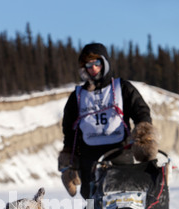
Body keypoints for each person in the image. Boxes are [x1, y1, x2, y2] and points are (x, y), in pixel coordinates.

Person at [58, 42, 158, 199]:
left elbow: (141, 112)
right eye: (88, 64)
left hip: (119, 153)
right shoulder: (77, 96)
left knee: (125, 201)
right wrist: (68, 162)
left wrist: (144, 139)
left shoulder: (122, 87)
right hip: (89, 158)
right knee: (93, 204)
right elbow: (69, 131)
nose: (93, 68)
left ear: (104, 63)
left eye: (96, 63)